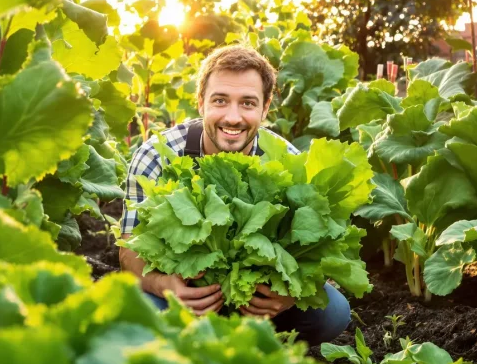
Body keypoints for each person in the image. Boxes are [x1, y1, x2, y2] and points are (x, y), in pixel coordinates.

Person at [118, 45, 351, 346]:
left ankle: (254, 345)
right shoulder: (156, 155)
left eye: (248, 103)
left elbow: (317, 253)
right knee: (137, 313)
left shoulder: (288, 162)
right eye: (220, 100)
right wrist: (163, 285)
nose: (233, 117)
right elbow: (128, 249)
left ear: (265, 108)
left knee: (333, 312)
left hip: (257, 304)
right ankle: (189, 351)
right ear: (200, 102)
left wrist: (290, 294)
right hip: (185, 298)